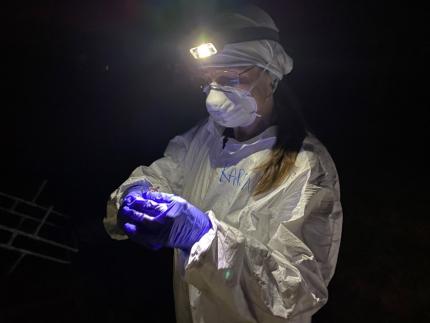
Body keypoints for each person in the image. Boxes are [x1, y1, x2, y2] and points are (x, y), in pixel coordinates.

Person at [103, 5, 342, 323]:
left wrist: (205, 238)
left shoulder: (307, 167)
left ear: (270, 77)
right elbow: (164, 173)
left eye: (229, 78)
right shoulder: (204, 138)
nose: (214, 96)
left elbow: (296, 291)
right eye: (209, 81)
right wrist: (133, 193)